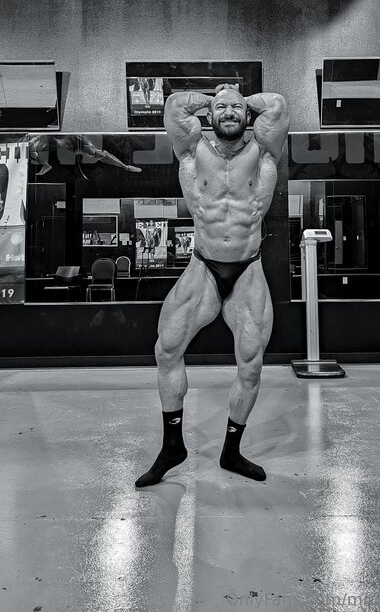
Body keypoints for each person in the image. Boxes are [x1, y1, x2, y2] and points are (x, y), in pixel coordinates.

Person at [136, 83, 289, 487]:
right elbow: (174, 105)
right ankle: (172, 446)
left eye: (237, 109)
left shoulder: (264, 152)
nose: (229, 113)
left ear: (248, 115)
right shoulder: (192, 151)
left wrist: (234, 98)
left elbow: (276, 105)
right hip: (203, 267)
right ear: (207, 116)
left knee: (251, 366)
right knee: (167, 349)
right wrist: (219, 97)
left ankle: (231, 451)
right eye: (221, 109)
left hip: (248, 269)